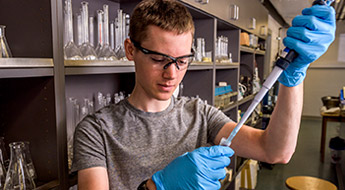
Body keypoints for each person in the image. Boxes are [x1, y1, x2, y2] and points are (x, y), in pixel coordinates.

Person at [71, 0, 336, 189]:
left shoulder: (199, 114)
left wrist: (294, 76)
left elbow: (275, 151)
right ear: (131, 50)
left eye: (182, 60)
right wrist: (155, 187)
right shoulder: (96, 131)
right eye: (158, 58)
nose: (171, 73)